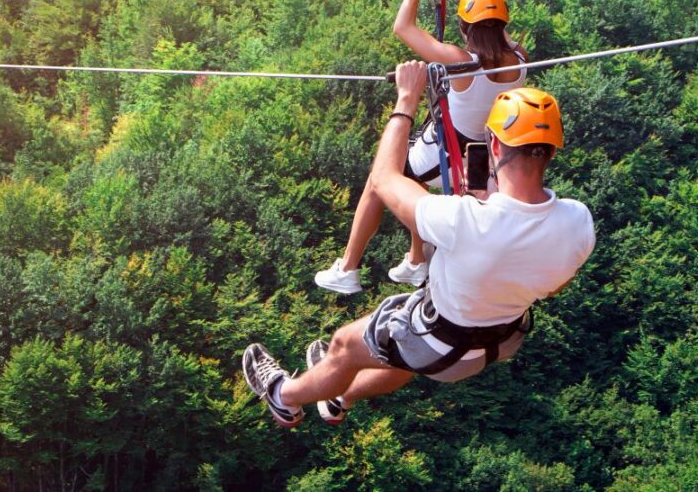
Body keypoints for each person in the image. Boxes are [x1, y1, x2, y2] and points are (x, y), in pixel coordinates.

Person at [243, 61, 595, 427]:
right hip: (497, 343)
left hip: (439, 342)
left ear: (492, 143)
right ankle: (340, 397)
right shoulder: (578, 223)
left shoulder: (464, 219)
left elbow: (383, 179)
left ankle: (283, 397)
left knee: (344, 346)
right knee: (401, 354)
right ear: (552, 151)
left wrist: (406, 100)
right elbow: (555, 284)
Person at [315, 0, 529, 294]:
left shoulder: (460, 62)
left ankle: (348, 267)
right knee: (415, 180)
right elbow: (494, 28)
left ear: (464, 27)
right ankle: (417, 260)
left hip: (448, 151)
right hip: (482, 156)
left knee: (379, 178)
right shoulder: (520, 58)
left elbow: (403, 27)